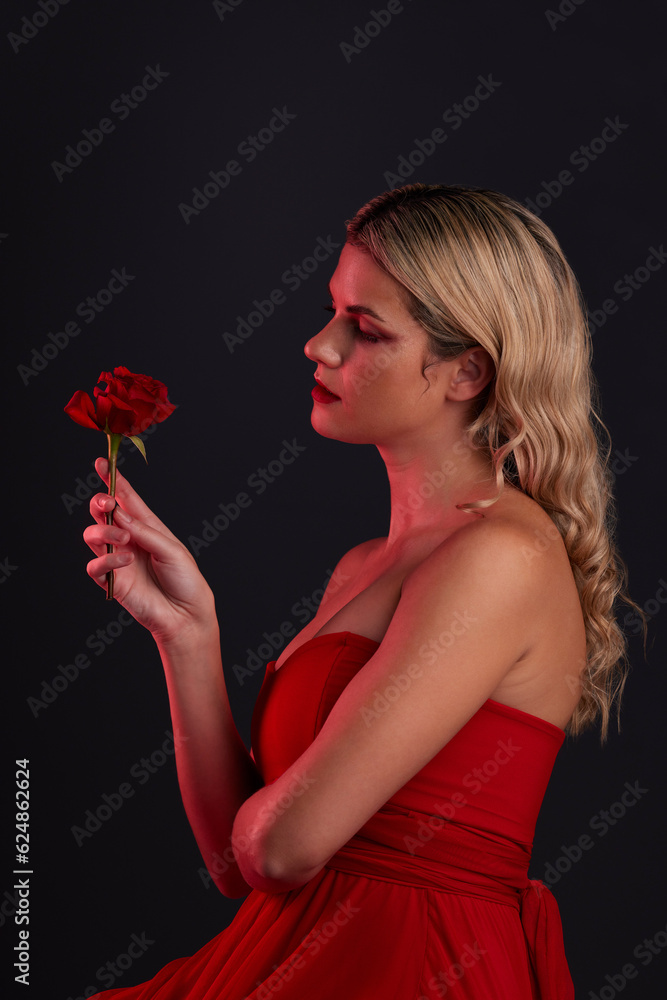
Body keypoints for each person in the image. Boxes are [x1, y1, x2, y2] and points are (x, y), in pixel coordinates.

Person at [81, 183, 639, 999]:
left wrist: (277, 829)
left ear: (465, 372)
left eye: (365, 329)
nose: (320, 345)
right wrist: (187, 633)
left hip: (411, 969)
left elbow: (279, 849)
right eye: (332, 310)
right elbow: (236, 869)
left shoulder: (500, 556)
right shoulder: (363, 563)